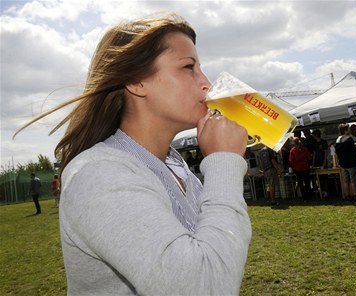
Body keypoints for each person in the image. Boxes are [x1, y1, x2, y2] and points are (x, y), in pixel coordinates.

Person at [15, 14, 251, 295]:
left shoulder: (177, 165)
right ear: (136, 81)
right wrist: (224, 161)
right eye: (189, 67)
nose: (207, 85)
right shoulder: (98, 174)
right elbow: (206, 286)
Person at [335, 123, 356, 201]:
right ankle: (355, 195)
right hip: (351, 162)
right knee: (353, 180)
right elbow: (354, 151)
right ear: (345, 130)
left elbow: (336, 152)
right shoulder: (349, 139)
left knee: (346, 181)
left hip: (343, 163)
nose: (350, 130)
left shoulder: (338, 140)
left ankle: (347, 195)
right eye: (348, 129)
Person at [289, 137, 312, 201]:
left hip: (297, 169)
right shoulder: (305, 149)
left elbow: (291, 161)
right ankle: (309, 196)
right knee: (307, 183)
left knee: (301, 184)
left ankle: (304, 198)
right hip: (305, 168)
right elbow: (309, 158)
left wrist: (292, 167)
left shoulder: (292, 150)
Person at [312, 129, 328, 196]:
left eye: (313, 135)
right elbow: (314, 154)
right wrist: (313, 164)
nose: (312, 136)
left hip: (323, 162)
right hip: (317, 163)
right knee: (319, 178)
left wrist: (324, 164)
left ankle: (326, 191)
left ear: (316, 135)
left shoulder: (324, 142)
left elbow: (325, 153)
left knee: (324, 178)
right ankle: (321, 191)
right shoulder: (314, 143)